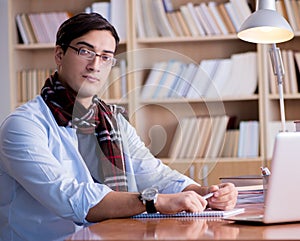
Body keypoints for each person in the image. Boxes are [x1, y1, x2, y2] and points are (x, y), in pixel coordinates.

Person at [0, 13, 237, 241]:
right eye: (85, 51)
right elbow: (70, 197)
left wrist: (202, 192)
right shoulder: (23, 126)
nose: (95, 65)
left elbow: (152, 171)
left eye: (106, 57)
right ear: (59, 55)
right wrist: (151, 201)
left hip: (112, 235)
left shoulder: (113, 121)